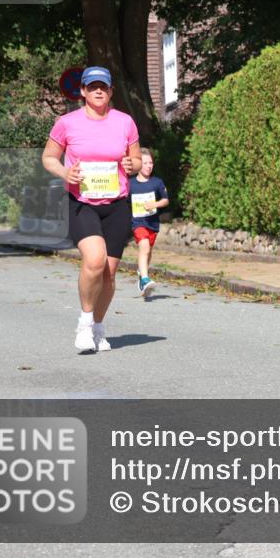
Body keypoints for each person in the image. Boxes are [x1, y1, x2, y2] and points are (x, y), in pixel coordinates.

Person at [41, 66, 140, 353]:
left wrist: (131, 165)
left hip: (117, 204)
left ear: (110, 91)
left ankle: (98, 327)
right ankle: (84, 324)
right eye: (92, 86)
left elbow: (136, 160)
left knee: (109, 273)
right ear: (83, 91)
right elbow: (49, 157)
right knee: (95, 260)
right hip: (82, 203)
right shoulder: (67, 123)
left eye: (103, 87)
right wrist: (65, 172)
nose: (98, 91)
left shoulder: (125, 122)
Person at [129, 147, 169, 298]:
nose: (148, 166)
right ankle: (145, 279)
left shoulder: (157, 182)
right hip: (138, 223)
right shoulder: (130, 184)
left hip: (152, 224)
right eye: (145, 163)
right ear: (138, 164)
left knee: (148, 251)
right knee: (144, 247)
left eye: (150, 163)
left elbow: (165, 200)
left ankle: (142, 273)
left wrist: (155, 204)